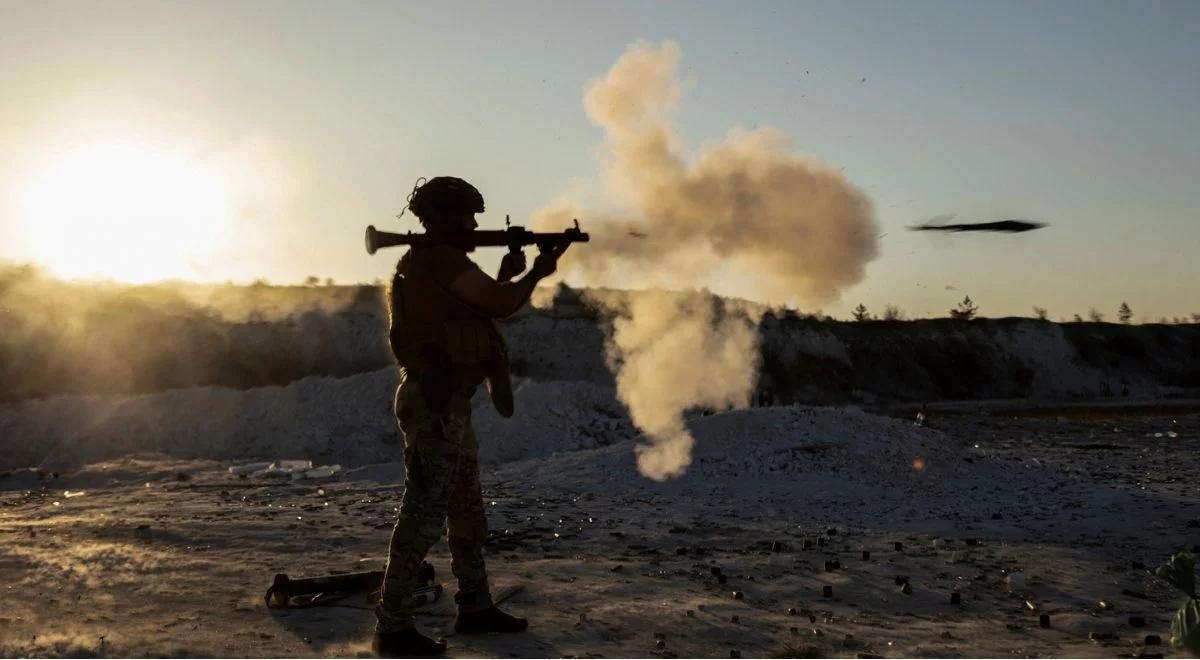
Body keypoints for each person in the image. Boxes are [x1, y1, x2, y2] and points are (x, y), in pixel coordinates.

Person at [373, 176, 570, 658]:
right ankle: (393, 626)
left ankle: (476, 605)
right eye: (468, 215)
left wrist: (506, 270)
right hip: (437, 403)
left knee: (466, 511)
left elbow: (475, 307)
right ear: (447, 216)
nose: (476, 223)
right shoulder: (439, 260)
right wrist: (538, 272)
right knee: (424, 515)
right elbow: (500, 305)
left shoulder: (430, 263)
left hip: (449, 403)